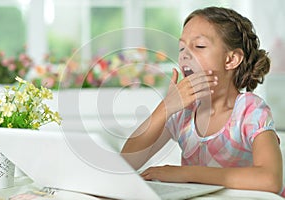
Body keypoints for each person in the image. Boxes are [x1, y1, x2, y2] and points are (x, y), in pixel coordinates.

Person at [121, 6, 284, 196]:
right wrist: (166, 107)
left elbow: (271, 180)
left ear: (231, 60)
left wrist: (186, 173)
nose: (185, 55)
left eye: (199, 46)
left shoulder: (250, 110)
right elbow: (126, 162)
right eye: (182, 47)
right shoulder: (183, 112)